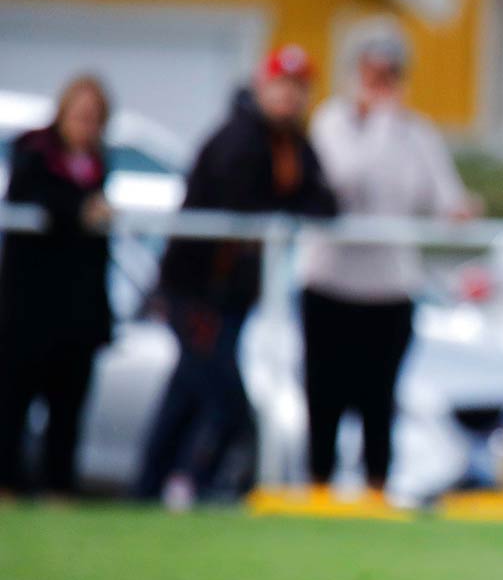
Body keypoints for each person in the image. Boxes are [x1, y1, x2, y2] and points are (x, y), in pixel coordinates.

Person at [135, 46, 338, 509]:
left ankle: (148, 487)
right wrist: (286, 209)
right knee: (224, 399)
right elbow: (242, 201)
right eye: (281, 86)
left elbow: (323, 202)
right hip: (198, 289)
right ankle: (192, 483)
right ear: (262, 86)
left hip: (232, 294)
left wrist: (289, 207)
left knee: (187, 390)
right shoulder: (237, 138)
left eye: (298, 88)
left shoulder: (292, 144)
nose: (289, 96)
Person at [303, 20, 473, 502]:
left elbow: (443, 195)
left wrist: (459, 209)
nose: (382, 83)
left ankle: (377, 488)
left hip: (390, 289)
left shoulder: (416, 133)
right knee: (326, 394)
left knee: (379, 397)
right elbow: (346, 179)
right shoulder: (332, 123)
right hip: (332, 285)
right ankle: (320, 487)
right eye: (373, 72)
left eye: (391, 73)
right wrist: (378, 121)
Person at [0, 75, 114, 497]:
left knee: (67, 409)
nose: (87, 124)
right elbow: (34, 197)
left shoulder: (101, 164)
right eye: (80, 114)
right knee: (13, 403)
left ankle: (58, 489)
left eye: (94, 117)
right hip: (28, 309)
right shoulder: (33, 152)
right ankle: (7, 485)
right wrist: (80, 208)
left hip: (77, 315)